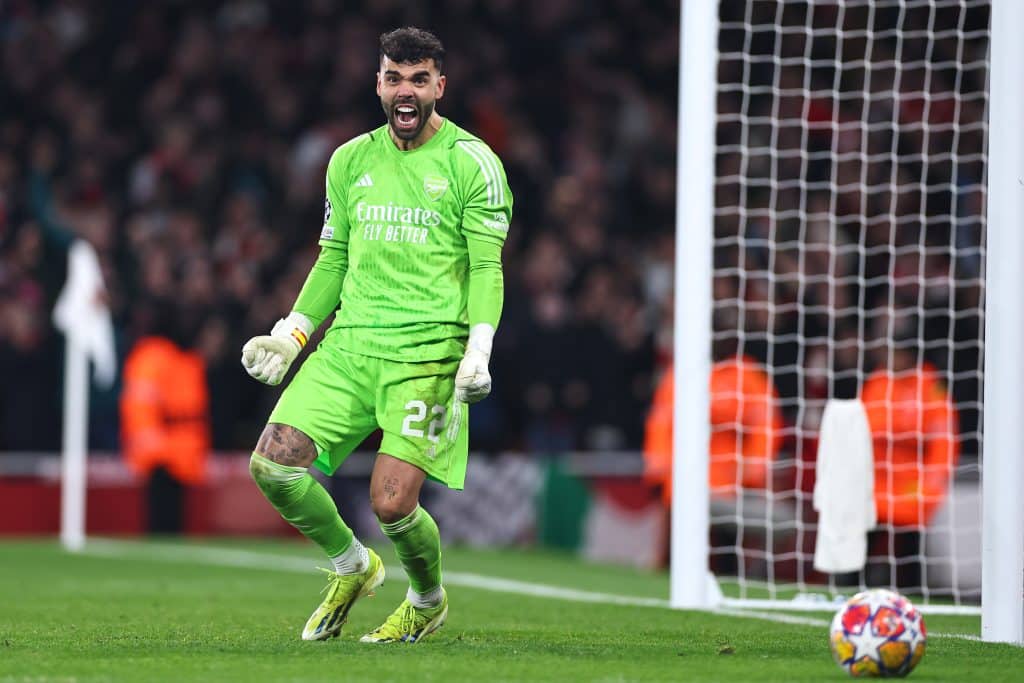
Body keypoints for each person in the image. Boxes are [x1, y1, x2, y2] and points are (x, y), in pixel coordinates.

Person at [241, 27, 511, 644]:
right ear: (379, 84)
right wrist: (293, 334)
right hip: (350, 347)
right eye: (394, 77)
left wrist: (478, 348)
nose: (406, 90)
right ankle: (352, 566)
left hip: (428, 355)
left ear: (440, 86)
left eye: (419, 79)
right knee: (272, 467)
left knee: (391, 504)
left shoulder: (474, 163)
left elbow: (487, 267)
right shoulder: (349, 161)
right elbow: (333, 258)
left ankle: (426, 598)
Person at [643, 347, 785, 570]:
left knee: (728, 545)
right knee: (676, 530)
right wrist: (659, 463)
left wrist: (754, 469)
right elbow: (661, 422)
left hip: (731, 476)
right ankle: (667, 565)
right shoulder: (682, 372)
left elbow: (765, 426)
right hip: (684, 472)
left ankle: (734, 572)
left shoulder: (748, 375)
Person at [861, 333, 959, 590]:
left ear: (908, 356)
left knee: (910, 542)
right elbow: (861, 429)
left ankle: (914, 591)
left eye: (893, 354)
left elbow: (943, 441)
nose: (888, 359)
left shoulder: (931, 388)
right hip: (876, 480)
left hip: (911, 481)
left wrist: (931, 483)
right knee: (862, 535)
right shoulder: (878, 383)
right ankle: (855, 588)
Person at [121, 303, 210, 533]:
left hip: (182, 449)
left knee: (176, 519)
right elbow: (139, 403)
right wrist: (152, 445)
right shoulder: (154, 355)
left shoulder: (182, 356)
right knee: (162, 518)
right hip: (162, 450)